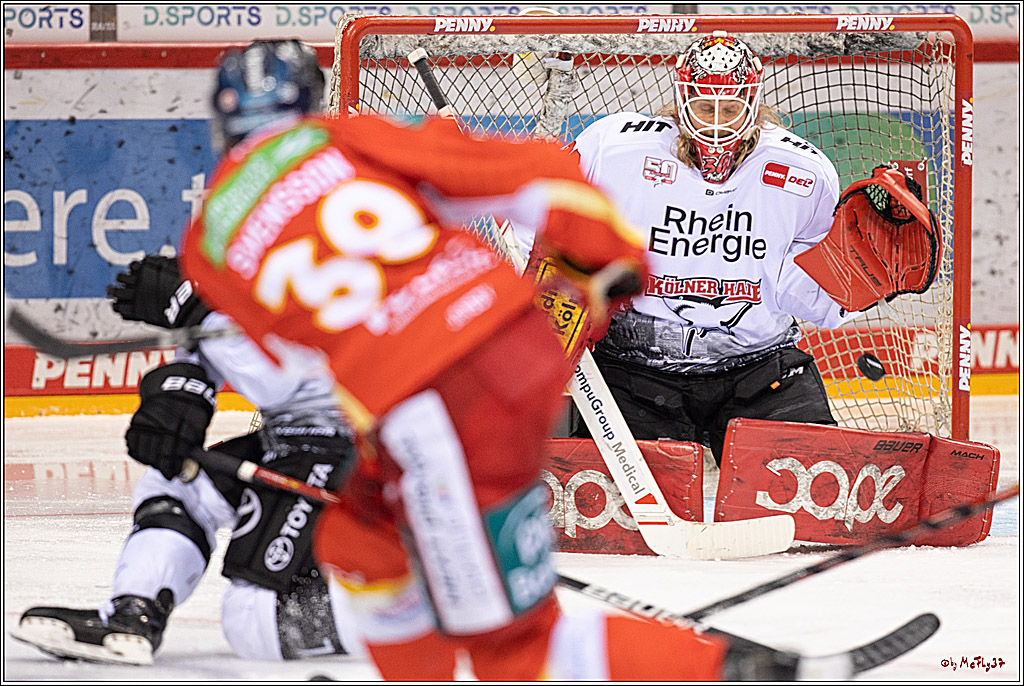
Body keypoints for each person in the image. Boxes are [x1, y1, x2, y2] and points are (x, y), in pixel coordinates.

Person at [159, 39, 812, 680]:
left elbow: (289, 380)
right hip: (513, 350)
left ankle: (721, 673)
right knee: (357, 539)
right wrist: (607, 257)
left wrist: (184, 350)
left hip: (439, 401)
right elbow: (536, 173)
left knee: (518, 653)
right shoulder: (353, 139)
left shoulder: (207, 236)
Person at [11, 71, 360, 666]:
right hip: (299, 438)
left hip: (372, 448)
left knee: (261, 627)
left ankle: (421, 608)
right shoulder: (232, 212)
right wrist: (179, 400)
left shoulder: (346, 199)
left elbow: (308, 358)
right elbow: (210, 342)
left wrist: (197, 303)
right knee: (175, 481)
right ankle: (133, 616)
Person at [566, 32, 861, 465]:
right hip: (635, 374)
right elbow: (551, 216)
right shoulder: (615, 150)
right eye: (706, 108)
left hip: (760, 373)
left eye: (731, 108)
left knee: (811, 509)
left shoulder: (804, 172)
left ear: (754, 106)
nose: (717, 123)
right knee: (609, 518)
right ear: (682, 103)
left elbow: (807, 291)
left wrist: (852, 288)